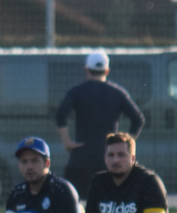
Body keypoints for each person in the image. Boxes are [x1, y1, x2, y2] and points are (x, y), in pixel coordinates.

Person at [54, 51, 145, 198]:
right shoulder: (117, 92)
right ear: (107, 71)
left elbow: (60, 115)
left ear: (87, 70)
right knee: (108, 200)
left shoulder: (77, 92)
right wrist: (124, 146)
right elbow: (138, 119)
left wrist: (67, 142)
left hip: (80, 159)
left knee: (75, 201)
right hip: (108, 159)